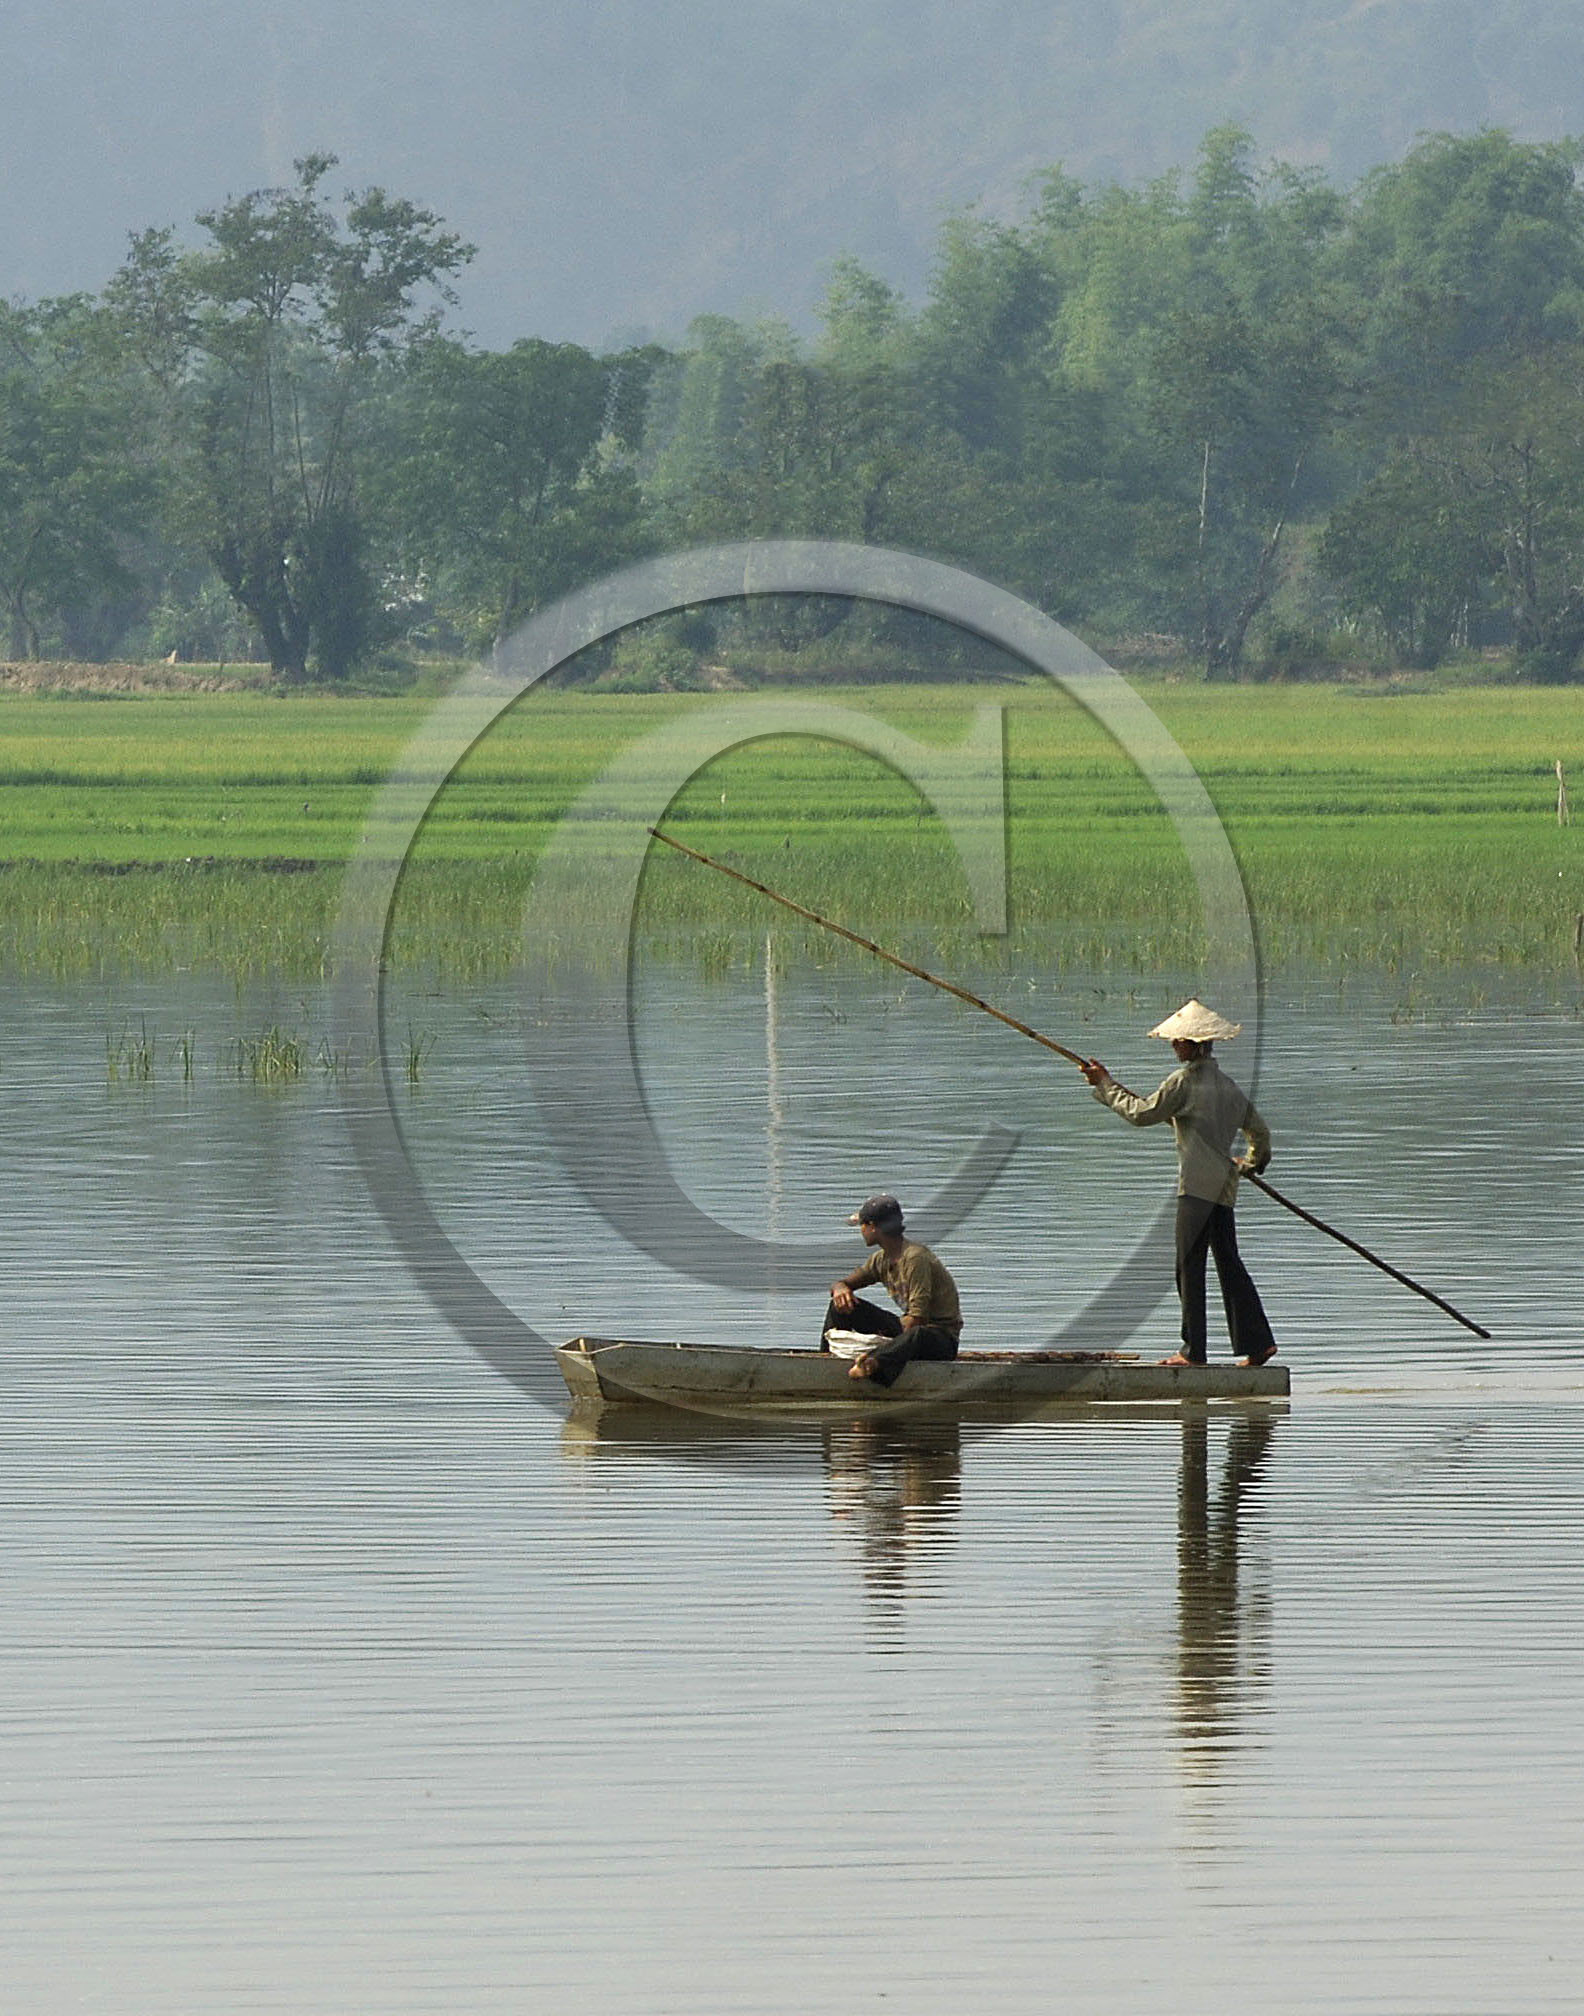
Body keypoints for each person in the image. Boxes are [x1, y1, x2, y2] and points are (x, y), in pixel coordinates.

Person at [1078, 1000, 1277, 1369]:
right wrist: (1250, 1165)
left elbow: (1142, 1114)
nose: (1173, 1046)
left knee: (1189, 1266)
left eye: (1178, 1040)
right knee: (1229, 1263)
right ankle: (1259, 1343)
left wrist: (1104, 1086)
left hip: (1196, 1191)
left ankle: (1192, 1352)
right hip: (1223, 1190)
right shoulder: (1228, 1086)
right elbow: (1261, 1135)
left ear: (1194, 1043)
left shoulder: (1183, 1083)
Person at [821, 1193, 964, 1387]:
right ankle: (823, 1359)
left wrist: (882, 1343)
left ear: (873, 1227)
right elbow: (844, 1283)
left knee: (918, 1334)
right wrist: (840, 1289)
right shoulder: (881, 1259)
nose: (861, 1230)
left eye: (862, 1225)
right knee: (840, 1306)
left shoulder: (915, 1258)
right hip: (907, 1331)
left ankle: (872, 1364)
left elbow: (917, 1319)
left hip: (939, 1339)